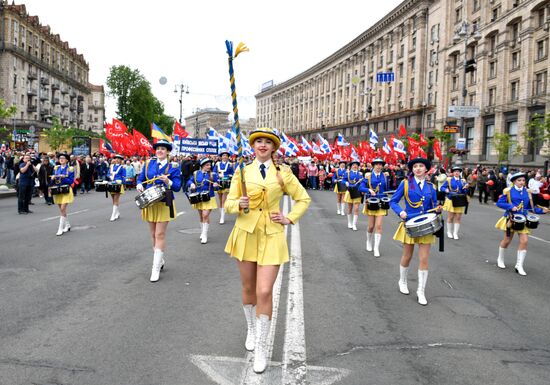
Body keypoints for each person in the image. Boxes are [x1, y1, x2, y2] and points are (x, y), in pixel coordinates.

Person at [224, 128, 310, 374]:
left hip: (272, 234)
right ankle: (251, 328)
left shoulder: (283, 173)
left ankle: (261, 347)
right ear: (253, 146)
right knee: (249, 288)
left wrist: (289, 217)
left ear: (274, 148)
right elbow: (228, 202)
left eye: (267, 142)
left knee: (264, 291)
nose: (262, 145)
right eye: (258, 141)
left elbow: (303, 199)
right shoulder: (242, 171)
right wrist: (236, 204)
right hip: (246, 233)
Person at [390, 157, 442, 306]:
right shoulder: (405, 184)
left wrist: (438, 209)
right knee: (407, 256)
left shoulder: (431, 187)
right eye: (415, 167)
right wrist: (401, 212)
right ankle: (403, 281)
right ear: (412, 170)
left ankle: (421, 291)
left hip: (426, 226)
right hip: (410, 224)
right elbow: (393, 201)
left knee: (424, 259)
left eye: (421, 166)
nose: (418, 168)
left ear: (426, 170)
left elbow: (433, 206)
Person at [136, 140, 182, 282]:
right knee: (153, 234)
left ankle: (155, 268)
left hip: (164, 202)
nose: (160, 151)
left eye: (163, 149)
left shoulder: (173, 166)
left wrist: (168, 182)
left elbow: (178, 187)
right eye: (158, 149)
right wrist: (139, 185)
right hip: (150, 202)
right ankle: (160, 259)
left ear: (168, 152)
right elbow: (140, 178)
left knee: (159, 234)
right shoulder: (148, 163)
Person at [495, 172, 548, 276]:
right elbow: (499, 203)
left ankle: (519, 265)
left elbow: (531, 208)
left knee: (524, 241)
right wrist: (510, 207)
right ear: (514, 181)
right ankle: (500, 259)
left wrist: (542, 211)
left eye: (523, 180)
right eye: (519, 180)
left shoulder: (527, 192)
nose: (522, 182)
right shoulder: (508, 191)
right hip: (511, 219)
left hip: (523, 220)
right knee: (507, 241)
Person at [359, 158, 389, 257]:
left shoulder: (384, 176)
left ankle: (376, 248)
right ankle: (368, 241)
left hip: (381, 203)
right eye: (377, 164)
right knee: (371, 226)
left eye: (381, 164)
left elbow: (387, 189)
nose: (379, 166)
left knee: (379, 226)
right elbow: (360, 187)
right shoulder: (368, 176)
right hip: (371, 202)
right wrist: (368, 190)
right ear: (373, 166)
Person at [188, 158, 219, 244]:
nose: (209, 167)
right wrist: (192, 184)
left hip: (209, 197)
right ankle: (202, 231)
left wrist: (216, 185)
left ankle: (204, 234)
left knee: (205, 215)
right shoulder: (196, 173)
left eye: (209, 165)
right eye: (207, 165)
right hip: (199, 197)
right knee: (201, 216)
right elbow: (190, 181)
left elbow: (217, 186)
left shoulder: (213, 174)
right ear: (202, 166)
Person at [440, 166, 469, 240]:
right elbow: (442, 188)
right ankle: (449, 232)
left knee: (458, 217)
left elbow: (465, 192)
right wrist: (446, 190)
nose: (456, 173)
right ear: (453, 173)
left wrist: (466, 188)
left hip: (460, 200)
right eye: (455, 171)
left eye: (458, 171)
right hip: (451, 199)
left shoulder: (463, 181)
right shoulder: (449, 180)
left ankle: (455, 233)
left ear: (460, 173)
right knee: (451, 217)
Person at [50, 153, 75, 236]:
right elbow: (52, 181)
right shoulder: (56, 168)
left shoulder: (70, 169)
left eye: (63, 158)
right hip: (58, 190)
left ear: (67, 160)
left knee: (63, 208)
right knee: (61, 209)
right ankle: (67, 225)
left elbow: (71, 181)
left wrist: (63, 177)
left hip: (66, 190)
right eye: (60, 158)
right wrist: (53, 178)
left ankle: (60, 228)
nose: (61, 159)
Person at [213, 152, 234, 224]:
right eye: (223, 155)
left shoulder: (230, 165)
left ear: (228, 157)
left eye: (226, 156)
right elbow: (214, 172)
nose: (224, 157)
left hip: (226, 184)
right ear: (221, 157)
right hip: (219, 183)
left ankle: (222, 217)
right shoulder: (217, 164)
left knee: (223, 200)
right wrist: (218, 176)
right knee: (220, 199)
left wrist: (226, 176)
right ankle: (222, 214)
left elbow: (232, 174)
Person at [343, 160, 363, 231]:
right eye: (353, 165)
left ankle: (354, 224)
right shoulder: (347, 173)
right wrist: (345, 182)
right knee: (349, 208)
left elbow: (362, 182)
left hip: (357, 192)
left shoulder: (360, 174)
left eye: (356, 165)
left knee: (356, 208)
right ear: (351, 166)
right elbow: (343, 180)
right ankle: (349, 222)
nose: (355, 166)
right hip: (350, 191)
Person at [107, 154, 126, 221]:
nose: (117, 160)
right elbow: (108, 173)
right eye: (116, 158)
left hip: (118, 184)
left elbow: (124, 176)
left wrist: (122, 182)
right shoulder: (111, 166)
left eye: (119, 159)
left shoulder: (122, 167)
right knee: (113, 200)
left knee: (116, 199)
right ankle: (117, 213)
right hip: (111, 183)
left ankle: (113, 215)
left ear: (121, 160)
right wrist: (110, 176)